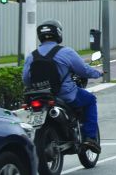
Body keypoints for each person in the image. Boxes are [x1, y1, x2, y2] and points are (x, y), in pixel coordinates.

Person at [23, 20, 103, 153]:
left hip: (38, 95)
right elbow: (83, 70)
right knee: (90, 100)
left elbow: (26, 79)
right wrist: (97, 73)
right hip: (64, 95)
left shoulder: (32, 56)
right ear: (58, 33)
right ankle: (90, 138)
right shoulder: (66, 52)